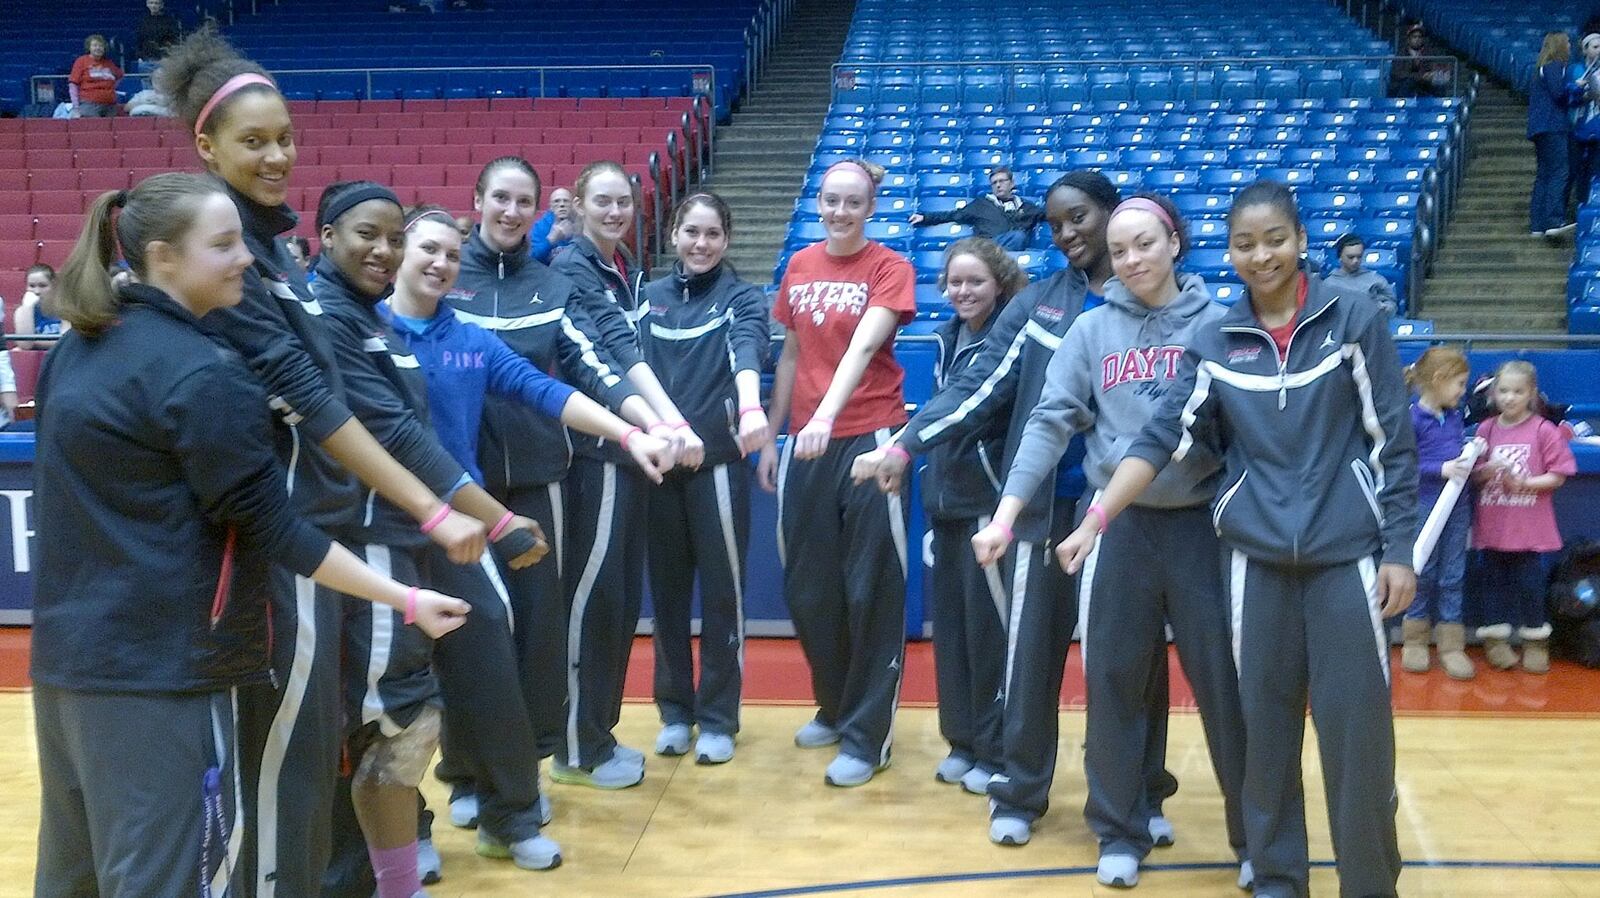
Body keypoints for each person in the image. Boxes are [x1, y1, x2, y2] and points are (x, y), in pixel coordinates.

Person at [29, 172, 470, 898]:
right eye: (225, 244)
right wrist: (404, 598)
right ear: (165, 257)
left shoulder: (76, 351)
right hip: (165, 681)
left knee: (72, 879)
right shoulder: (206, 376)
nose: (246, 261)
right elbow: (280, 533)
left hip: (65, 671)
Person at [155, 30, 491, 896]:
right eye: (253, 142)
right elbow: (313, 397)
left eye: (284, 139)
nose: (276, 156)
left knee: (311, 768)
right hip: (282, 550)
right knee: (280, 778)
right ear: (206, 147)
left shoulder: (276, 254)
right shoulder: (229, 259)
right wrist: (435, 509)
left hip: (319, 545)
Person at [1055, 179, 1419, 898]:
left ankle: (1370, 883)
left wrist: (1401, 550)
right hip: (1255, 564)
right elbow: (1163, 437)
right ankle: (1279, 872)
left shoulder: (1351, 318)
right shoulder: (1216, 339)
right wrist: (1097, 520)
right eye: (1246, 244)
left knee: (1359, 741)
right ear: (1229, 252)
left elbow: (1393, 444)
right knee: (1267, 734)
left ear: (1301, 241)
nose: (1262, 256)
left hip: (1346, 560)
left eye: (1275, 240)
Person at [854, 171, 1181, 848]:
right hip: (1039, 508)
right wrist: (908, 446)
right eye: (1058, 223)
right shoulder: (1039, 302)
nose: (1068, 234)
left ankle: (1141, 793)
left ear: (1116, 217)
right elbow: (981, 386)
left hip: (1127, 516)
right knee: (1029, 658)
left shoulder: (1153, 305)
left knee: (1134, 665)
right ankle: (1021, 790)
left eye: (1081, 218)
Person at [969, 194, 1248, 890]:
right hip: (1116, 530)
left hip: (1199, 528)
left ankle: (1256, 836)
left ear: (1175, 243)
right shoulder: (1092, 331)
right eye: (1120, 250)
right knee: (1115, 685)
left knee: (1225, 689)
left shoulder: (1218, 326)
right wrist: (1006, 515)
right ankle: (1119, 831)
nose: (1131, 259)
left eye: (1145, 244)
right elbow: (1048, 421)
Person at [309, 182, 582, 882]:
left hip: (448, 524)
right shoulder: (342, 323)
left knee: (488, 659)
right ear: (331, 236)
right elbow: (394, 434)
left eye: (441, 250)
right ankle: (406, 834)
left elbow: (536, 389)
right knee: (381, 702)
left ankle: (510, 814)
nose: (427, 259)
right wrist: (489, 515)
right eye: (418, 246)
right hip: (377, 533)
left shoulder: (440, 335)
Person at [440, 156, 672, 807]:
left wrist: (643, 423)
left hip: (543, 486)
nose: (512, 212)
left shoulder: (551, 285)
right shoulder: (446, 276)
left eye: (524, 201)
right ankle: (463, 773)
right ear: (478, 198)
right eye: (501, 198)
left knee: (539, 635)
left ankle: (523, 774)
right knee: (467, 632)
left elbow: (594, 364)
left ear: (538, 207)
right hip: (460, 490)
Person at [757, 157, 913, 788]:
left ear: (869, 207)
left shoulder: (889, 267)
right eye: (831, 201)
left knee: (869, 590)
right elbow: (792, 350)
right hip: (806, 444)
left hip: (869, 437)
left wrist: (825, 416)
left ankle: (867, 736)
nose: (841, 212)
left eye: (854, 202)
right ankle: (836, 705)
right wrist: (774, 436)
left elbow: (863, 345)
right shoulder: (799, 265)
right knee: (811, 589)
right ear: (818, 203)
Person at [553, 160, 703, 789]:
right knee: (593, 602)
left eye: (624, 203)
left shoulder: (617, 271)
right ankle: (575, 748)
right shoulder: (572, 269)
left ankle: (598, 736)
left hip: (630, 453)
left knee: (616, 605)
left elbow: (628, 353)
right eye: (603, 202)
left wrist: (666, 428)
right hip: (597, 457)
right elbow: (610, 359)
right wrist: (671, 426)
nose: (615, 212)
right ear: (580, 206)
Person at [637, 193, 769, 764]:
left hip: (717, 466)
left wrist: (750, 406)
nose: (701, 243)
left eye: (713, 233)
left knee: (722, 597)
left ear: (727, 240)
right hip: (661, 472)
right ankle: (673, 711)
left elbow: (747, 351)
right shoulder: (647, 299)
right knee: (665, 598)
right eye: (691, 231)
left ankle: (717, 717)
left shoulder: (741, 296)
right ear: (673, 235)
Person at [919, 238, 1022, 795]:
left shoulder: (1009, 339)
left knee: (989, 635)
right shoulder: (944, 338)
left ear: (1000, 283)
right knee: (953, 635)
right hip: (944, 504)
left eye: (975, 281)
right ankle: (961, 740)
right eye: (955, 282)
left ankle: (995, 747)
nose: (963, 292)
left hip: (987, 506)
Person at [1471, 361, 1576, 674]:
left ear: (1531, 393)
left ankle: (1534, 641)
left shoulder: (1544, 430)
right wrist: (1483, 472)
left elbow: (1558, 475)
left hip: (1528, 530)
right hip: (1493, 526)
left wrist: (1524, 484)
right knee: (1492, 587)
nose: (1510, 397)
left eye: (1518, 391)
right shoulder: (1485, 429)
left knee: (1530, 587)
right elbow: (1473, 476)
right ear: (1494, 393)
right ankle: (1496, 642)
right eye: (1503, 391)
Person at [1402, 347, 1475, 680]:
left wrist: (1477, 463)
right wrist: (1440, 468)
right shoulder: (1412, 418)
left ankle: (1451, 645)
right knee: (1423, 571)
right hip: (1425, 506)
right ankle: (1414, 640)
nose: (1463, 391)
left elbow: (1460, 459)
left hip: (1457, 506)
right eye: (1459, 384)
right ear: (1438, 380)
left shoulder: (1457, 416)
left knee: (1453, 574)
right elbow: (1404, 467)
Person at [910, 167, 1044, 250]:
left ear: (1012, 183)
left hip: (1012, 252)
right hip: (986, 248)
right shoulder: (981, 204)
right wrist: (925, 217)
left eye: (1002, 181)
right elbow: (954, 215)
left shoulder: (1027, 207)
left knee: (1018, 237)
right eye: (994, 183)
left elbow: (1048, 214)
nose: (998, 185)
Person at [1529, 33, 1576, 238]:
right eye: (1567, 42)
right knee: (1559, 171)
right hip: (1553, 126)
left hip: (1540, 127)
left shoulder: (1541, 68)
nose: (1570, 46)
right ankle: (1554, 221)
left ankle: (1537, 225)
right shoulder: (1555, 66)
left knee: (1544, 174)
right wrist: (1577, 88)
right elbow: (1559, 94)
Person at [1323, 233, 1397, 314]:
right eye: (1350, 257)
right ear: (1340, 257)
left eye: (1359, 257)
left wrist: (1385, 308)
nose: (1355, 261)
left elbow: (1391, 303)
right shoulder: (1328, 284)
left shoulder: (1376, 279)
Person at [1568, 34, 1600, 217]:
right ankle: (1576, 207)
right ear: (1585, 49)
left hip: (1598, 127)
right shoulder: (1576, 69)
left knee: (1596, 171)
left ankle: (1592, 209)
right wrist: (1579, 89)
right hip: (1578, 127)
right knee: (1576, 170)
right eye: (1595, 47)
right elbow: (1569, 99)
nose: (1599, 50)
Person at [1390, 23, 1451, 98]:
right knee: (1409, 83)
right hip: (1404, 85)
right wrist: (1419, 76)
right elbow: (1398, 73)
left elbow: (1432, 66)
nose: (1417, 39)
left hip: (1424, 84)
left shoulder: (1428, 52)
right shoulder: (1401, 54)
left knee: (1439, 87)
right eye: (1414, 37)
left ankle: (1441, 108)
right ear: (1408, 39)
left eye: (1420, 37)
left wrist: (1431, 74)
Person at [69, 34, 123, 118]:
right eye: (95, 45)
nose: (98, 48)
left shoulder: (109, 63)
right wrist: (76, 107)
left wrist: (112, 88)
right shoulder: (81, 61)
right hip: (89, 104)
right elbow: (73, 84)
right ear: (89, 47)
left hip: (110, 105)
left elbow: (120, 76)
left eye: (101, 46)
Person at [17, 263, 64, 349]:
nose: (37, 291)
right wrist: (27, 308)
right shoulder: (22, 311)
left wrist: (33, 342)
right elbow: (25, 345)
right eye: (32, 286)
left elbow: (65, 343)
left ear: (54, 285)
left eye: (42, 285)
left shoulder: (65, 309)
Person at [530, 186, 576, 263]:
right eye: (556, 201)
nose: (562, 204)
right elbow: (532, 259)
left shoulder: (582, 225)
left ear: (573, 205)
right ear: (550, 206)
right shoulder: (539, 227)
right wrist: (550, 240)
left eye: (566, 201)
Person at [133, 0, 182, 67]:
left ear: (161, 5)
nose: (153, 6)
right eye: (151, 3)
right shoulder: (142, 21)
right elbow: (139, 40)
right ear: (147, 4)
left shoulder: (169, 22)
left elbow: (174, 40)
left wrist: (169, 56)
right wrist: (139, 57)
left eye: (156, 3)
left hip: (164, 59)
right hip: (146, 59)